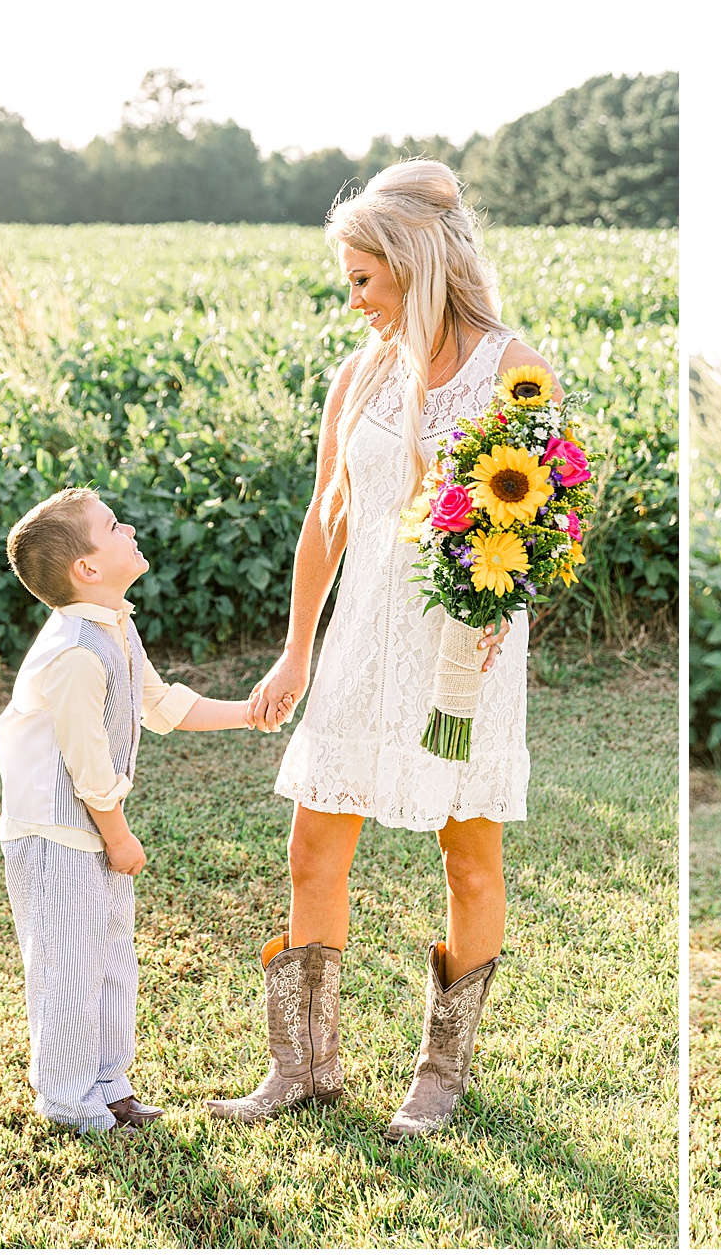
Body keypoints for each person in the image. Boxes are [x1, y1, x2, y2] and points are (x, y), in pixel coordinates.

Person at [210, 160, 557, 1142]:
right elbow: (326, 522)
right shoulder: (357, 374)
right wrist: (295, 653)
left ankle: (439, 1079)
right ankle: (303, 1066)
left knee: (470, 856)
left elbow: (532, 515)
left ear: (412, 264)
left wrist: (495, 604)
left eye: (363, 277)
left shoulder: (513, 368)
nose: (352, 298)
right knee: (314, 843)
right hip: (363, 634)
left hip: (462, 650)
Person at [0, 487, 257, 1134]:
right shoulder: (77, 651)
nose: (129, 527)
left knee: (112, 960)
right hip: (58, 834)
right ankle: (66, 1100)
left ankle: (109, 1085)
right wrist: (119, 836)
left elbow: (161, 705)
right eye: (113, 526)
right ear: (87, 567)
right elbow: (87, 765)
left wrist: (250, 713)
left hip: (89, 829)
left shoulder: (115, 621)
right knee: (67, 968)